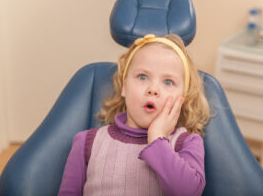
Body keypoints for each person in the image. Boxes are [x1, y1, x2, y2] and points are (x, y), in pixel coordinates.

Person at [58, 34, 211, 196]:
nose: (153, 89)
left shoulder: (186, 142)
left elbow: (187, 192)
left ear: (183, 98)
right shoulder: (87, 142)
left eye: (168, 82)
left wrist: (158, 139)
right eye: (142, 77)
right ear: (124, 87)